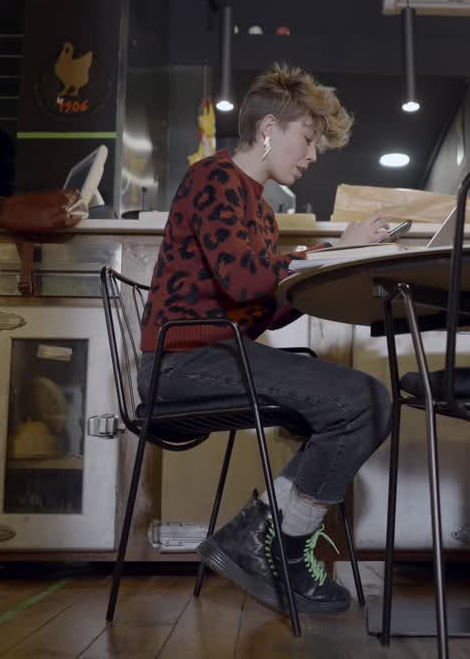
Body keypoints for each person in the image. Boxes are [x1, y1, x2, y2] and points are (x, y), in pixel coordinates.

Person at [137, 65, 393, 615]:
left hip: (217, 355)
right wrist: (331, 253)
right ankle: (278, 546)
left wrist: (316, 274)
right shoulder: (212, 179)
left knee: (363, 401)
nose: (313, 155)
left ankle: (262, 536)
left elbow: (261, 310)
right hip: (179, 365)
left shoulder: (260, 207)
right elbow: (245, 280)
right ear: (270, 129)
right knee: (364, 400)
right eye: (309, 139)